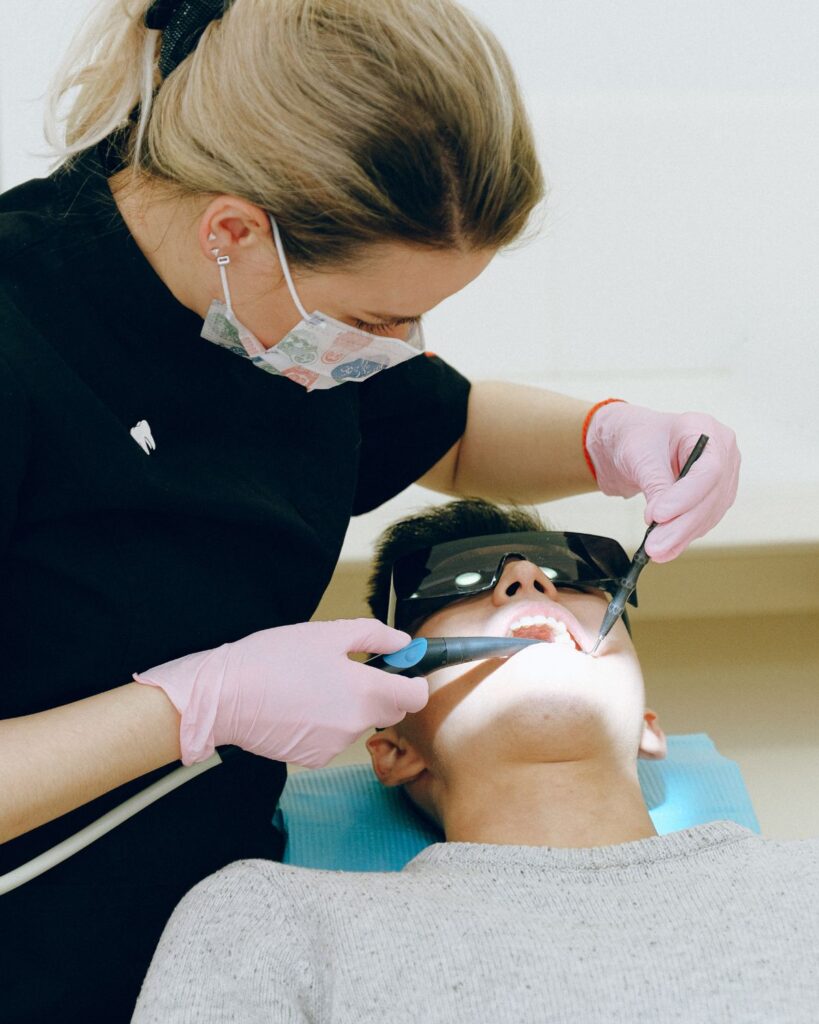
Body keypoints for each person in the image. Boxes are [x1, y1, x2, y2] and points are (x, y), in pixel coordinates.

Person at [0, 1, 740, 1019]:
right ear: (231, 231)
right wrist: (197, 704)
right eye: (377, 320)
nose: (402, 344)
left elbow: (441, 424)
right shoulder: (21, 340)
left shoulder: (274, 313)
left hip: (202, 922)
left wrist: (608, 437)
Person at [132, 499, 819, 1023]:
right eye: (456, 584)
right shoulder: (272, 918)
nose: (525, 579)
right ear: (393, 748)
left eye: (573, 576)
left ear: (649, 729)